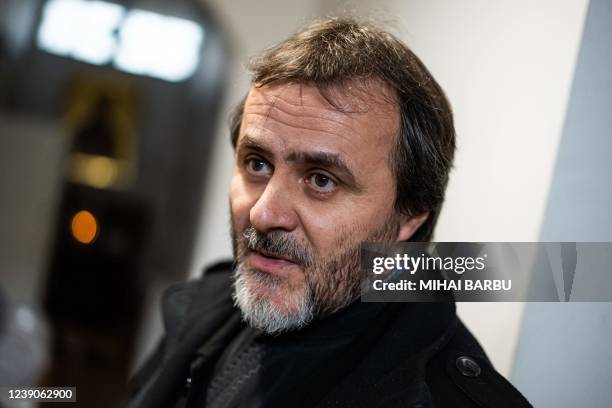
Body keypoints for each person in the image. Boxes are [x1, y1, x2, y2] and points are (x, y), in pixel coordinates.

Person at [126, 17, 531, 408]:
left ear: (410, 216)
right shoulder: (202, 313)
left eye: (321, 180)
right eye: (257, 164)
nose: (264, 214)